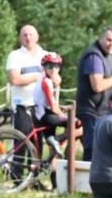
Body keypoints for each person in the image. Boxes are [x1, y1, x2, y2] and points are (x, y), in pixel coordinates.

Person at [76, 27, 112, 161]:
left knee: (103, 149)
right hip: (91, 111)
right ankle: (88, 181)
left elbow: (110, 85)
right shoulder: (94, 57)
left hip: (102, 111)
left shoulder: (108, 57)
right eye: (109, 40)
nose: (111, 44)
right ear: (100, 38)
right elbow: (97, 86)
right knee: (92, 150)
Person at [33, 52, 83, 188]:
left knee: (54, 153)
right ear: (44, 66)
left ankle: (55, 185)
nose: (53, 69)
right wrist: (63, 114)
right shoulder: (46, 82)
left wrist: (60, 109)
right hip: (46, 117)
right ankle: (59, 139)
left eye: (56, 66)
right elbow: (53, 106)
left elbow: (49, 103)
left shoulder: (44, 78)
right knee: (78, 123)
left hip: (42, 115)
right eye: (50, 66)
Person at [6, 25, 46, 178]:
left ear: (37, 37)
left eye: (31, 34)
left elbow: (55, 78)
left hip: (41, 106)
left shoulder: (46, 55)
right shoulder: (14, 56)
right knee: (21, 141)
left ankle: (35, 178)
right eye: (24, 35)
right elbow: (15, 79)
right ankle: (17, 177)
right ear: (20, 38)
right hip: (22, 104)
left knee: (38, 144)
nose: (28, 38)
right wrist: (39, 77)